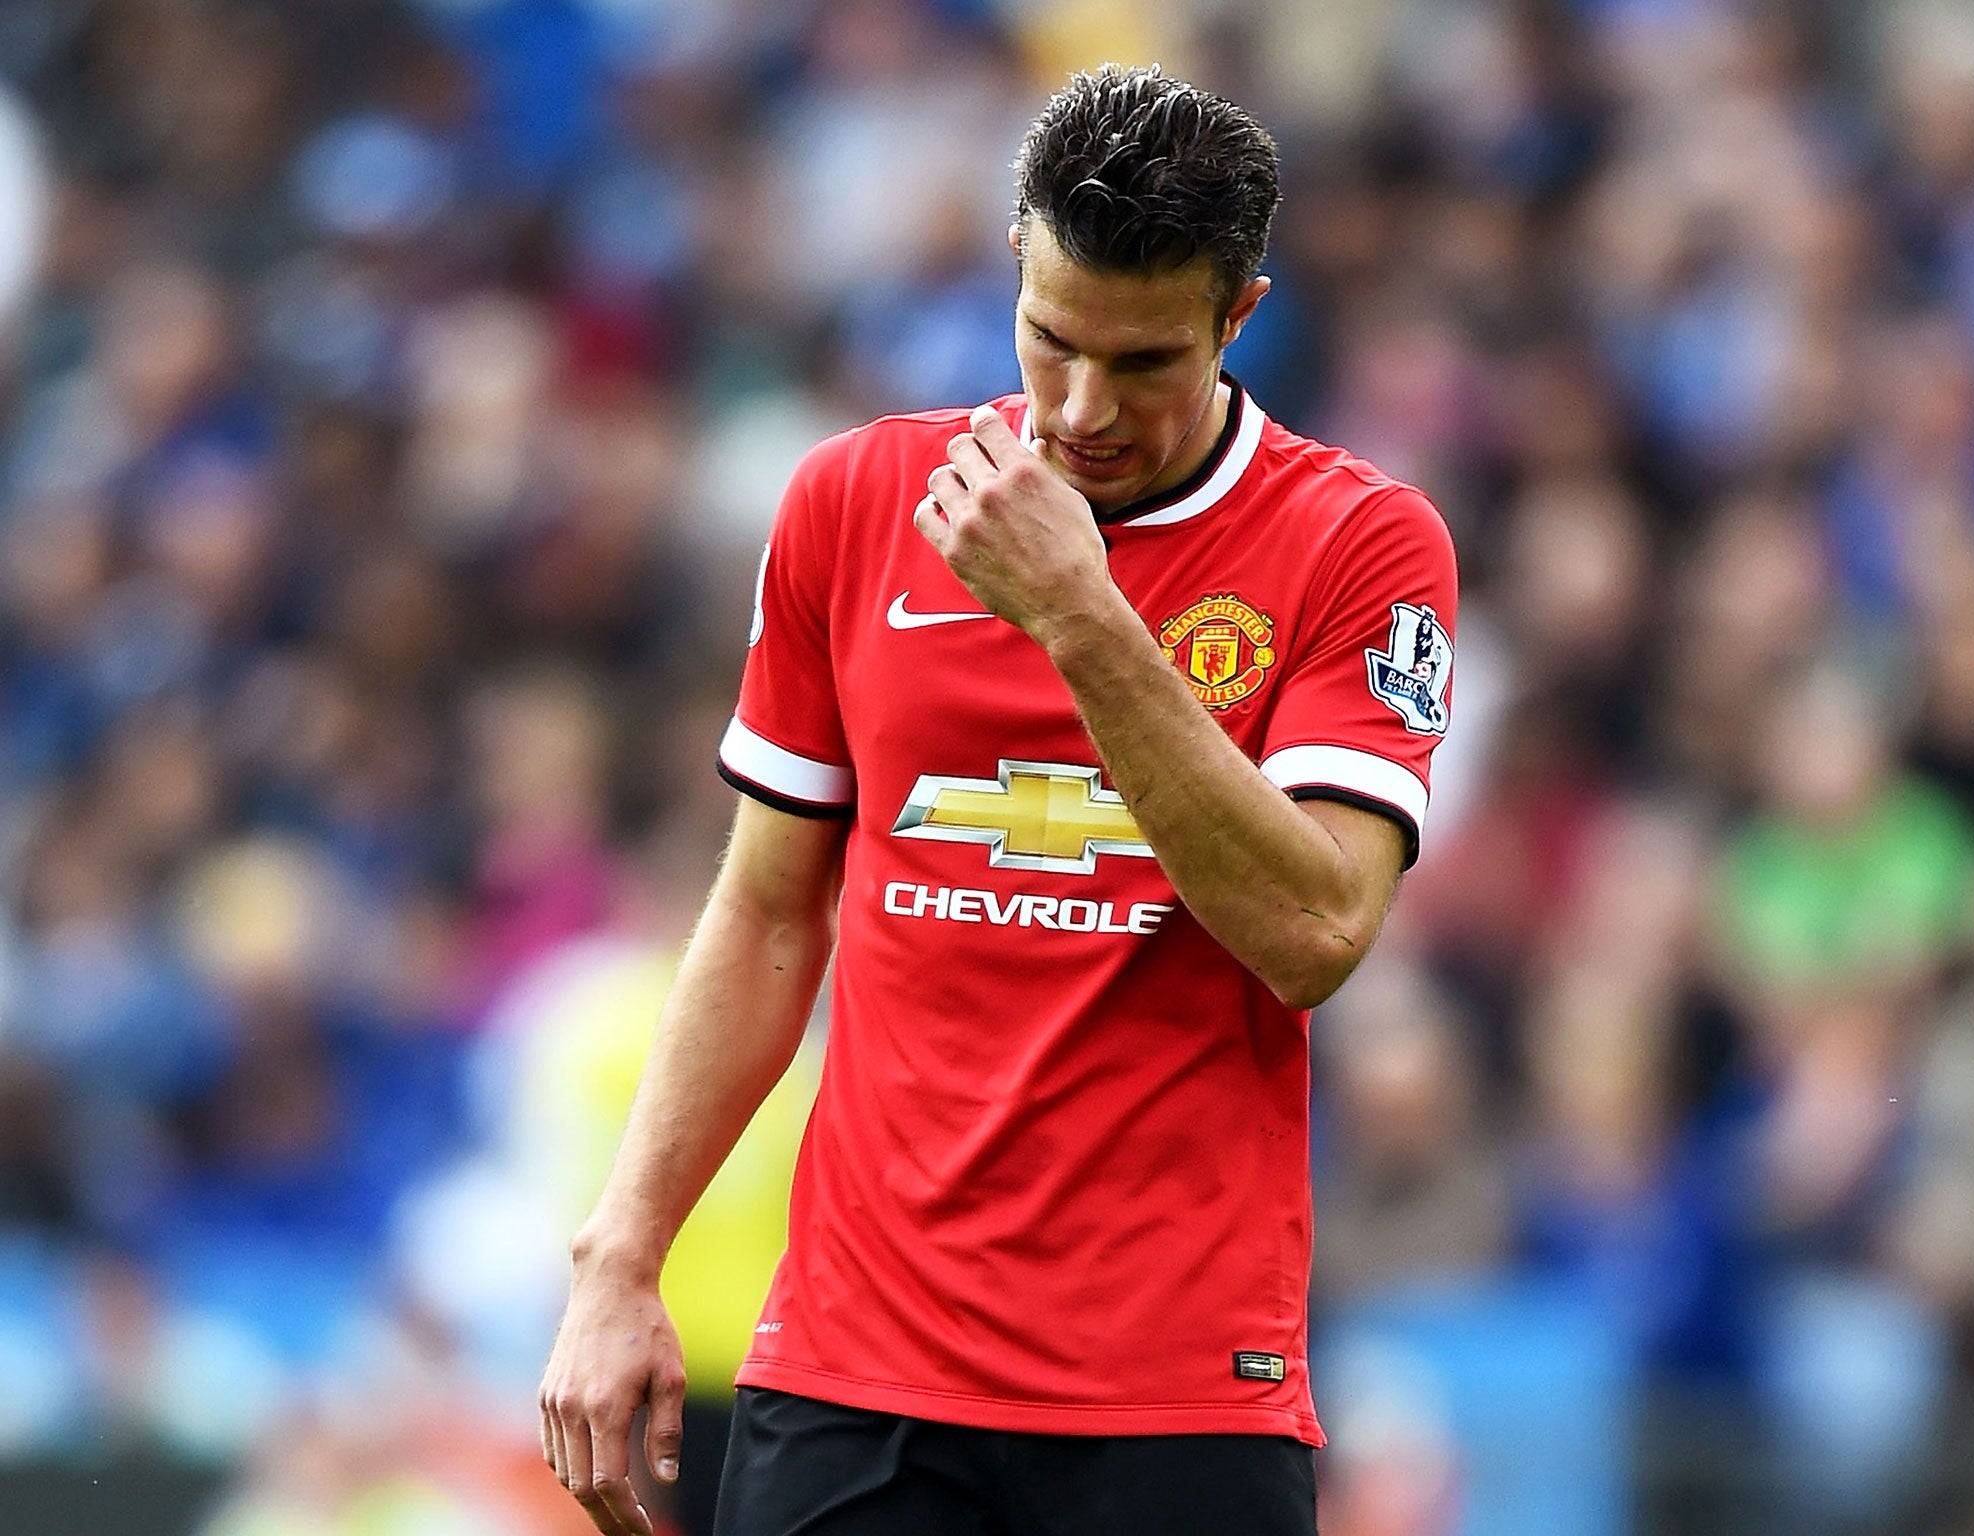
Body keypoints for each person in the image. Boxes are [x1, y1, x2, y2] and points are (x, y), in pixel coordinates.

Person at [539, 64, 1458, 1536]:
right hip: (857, 1368)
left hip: (1177, 1393)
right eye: (1050, 341)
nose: (1083, 408)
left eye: (1145, 362)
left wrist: (1085, 620)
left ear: (1239, 315)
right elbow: (771, 913)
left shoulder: (1360, 545)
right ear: (1015, 268)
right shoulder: (853, 502)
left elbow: (1316, 927)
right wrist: (621, 1256)